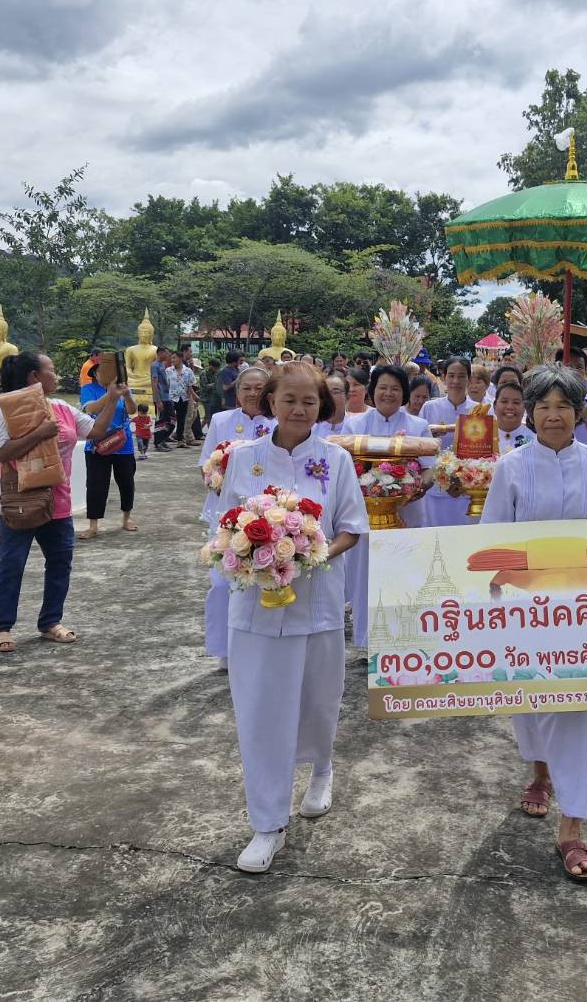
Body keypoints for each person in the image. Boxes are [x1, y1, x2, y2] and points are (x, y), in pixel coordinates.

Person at [216, 362, 368, 873]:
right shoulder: (242, 459)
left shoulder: (336, 461)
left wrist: (312, 553)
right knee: (260, 712)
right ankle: (267, 823)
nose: (299, 408)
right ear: (270, 401)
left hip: (318, 602)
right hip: (255, 607)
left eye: (310, 401)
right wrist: (242, 551)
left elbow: (352, 526)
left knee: (318, 703)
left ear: (322, 406)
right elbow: (220, 526)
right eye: (289, 399)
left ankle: (321, 770)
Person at [481, 365, 587, 882]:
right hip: (526, 609)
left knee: (583, 708)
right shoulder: (512, 467)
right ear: (530, 411)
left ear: (578, 412)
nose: (553, 415)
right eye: (543, 405)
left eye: (563, 406)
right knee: (532, 700)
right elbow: (490, 539)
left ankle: (572, 826)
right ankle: (540, 774)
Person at [0, 352, 120, 653]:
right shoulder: (7, 410)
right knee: (11, 564)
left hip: (57, 500)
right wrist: (39, 433)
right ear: (35, 377)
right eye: (52, 370)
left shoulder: (61, 408)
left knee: (60, 563)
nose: (56, 375)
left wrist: (112, 399)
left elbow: (96, 433)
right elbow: (3, 453)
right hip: (20, 500)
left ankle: (50, 622)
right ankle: (0, 627)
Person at [341, 365, 434, 647]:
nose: (388, 393)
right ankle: (367, 639)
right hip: (364, 518)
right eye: (383, 387)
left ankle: (404, 638)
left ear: (404, 393)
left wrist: (415, 488)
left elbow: (430, 470)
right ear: (372, 391)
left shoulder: (418, 427)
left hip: (406, 513)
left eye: (395, 388)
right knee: (365, 575)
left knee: (404, 575)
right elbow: (344, 470)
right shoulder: (354, 425)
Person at [200, 367, 276, 530]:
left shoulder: (278, 422)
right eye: (246, 388)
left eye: (259, 388)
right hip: (228, 499)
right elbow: (206, 463)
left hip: (269, 503)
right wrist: (218, 487)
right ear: (238, 391)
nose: (253, 393)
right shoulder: (220, 420)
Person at [78, 363, 138, 540]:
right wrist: (111, 394)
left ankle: (126, 518)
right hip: (96, 444)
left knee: (126, 482)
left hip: (122, 444)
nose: (104, 374)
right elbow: (91, 408)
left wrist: (126, 395)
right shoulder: (88, 389)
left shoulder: (123, 388)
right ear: (94, 374)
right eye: (100, 371)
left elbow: (132, 410)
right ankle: (93, 525)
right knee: (96, 484)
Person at [420, 356, 479, 527]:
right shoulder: (429, 408)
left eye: (461, 376)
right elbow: (422, 447)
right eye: (451, 375)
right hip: (436, 488)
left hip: (468, 486)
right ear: (443, 378)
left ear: (469, 379)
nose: (456, 381)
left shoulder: (479, 410)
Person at [168, 352, 199, 449]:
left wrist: (192, 397)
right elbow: (166, 385)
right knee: (170, 419)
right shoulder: (168, 371)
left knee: (181, 420)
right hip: (171, 398)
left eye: (174, 358)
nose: (172, 360)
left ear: (180, 358)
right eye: (171, 358)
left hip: (183, 398)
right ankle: (165, 437)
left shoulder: (188, 371)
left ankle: (180, 440)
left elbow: (190, 386)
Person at [493, 378, 531, 454]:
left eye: (516, 402)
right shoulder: (482, 437)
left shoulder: (533, 440)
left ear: (524, 408)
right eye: (504, 401)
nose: (510, 407)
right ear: (494, 406)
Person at [315, 373, 351, 439]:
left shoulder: (355, 426)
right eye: (326, 392)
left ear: (347, 396)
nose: (330, 396)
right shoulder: (312, 426)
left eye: (336, 392)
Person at [150, 346, 172, 451]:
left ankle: (163, 439)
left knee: (169, 419)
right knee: (160, 421)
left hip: (167, 397)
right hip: (160, 398)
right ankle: (158, 443)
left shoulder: (162, 365)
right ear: (161, 353)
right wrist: (158, 400)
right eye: (166, 353)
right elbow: (154, 384)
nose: (168, 355)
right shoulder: (154, 365)